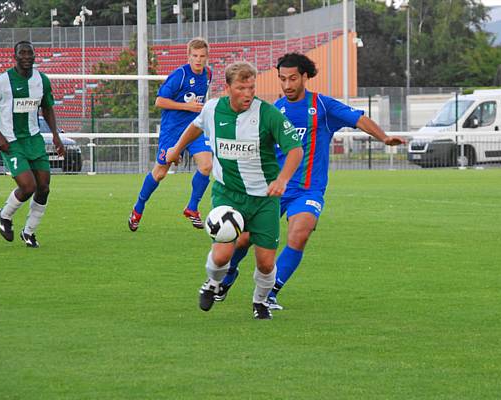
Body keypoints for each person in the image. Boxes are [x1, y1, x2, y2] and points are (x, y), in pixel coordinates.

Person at [216, 53, 406, 309]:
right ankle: (228, 275)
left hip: (308, 189)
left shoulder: (324, 107)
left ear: (305, 76)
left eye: (292, 78)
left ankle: (270, 292)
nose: (287, 85)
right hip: (273, 188)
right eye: (282, 79)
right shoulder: (272, 111)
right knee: (243, 238)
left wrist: (383, 138)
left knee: (299, 233)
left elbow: (358, 119)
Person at [166, 61, 303, 320]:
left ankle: (260, 302)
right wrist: (176, 149)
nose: (248, 93)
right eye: (241, 88)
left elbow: (295, 149)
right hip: (228, 194)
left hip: (264, 199)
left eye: (251, 87)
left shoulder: (268, 114)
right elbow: (195, 126)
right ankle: (212, 282)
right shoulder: (212, 109)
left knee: (265, 262)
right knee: (221, 255)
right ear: (228, 88)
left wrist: (283, 179)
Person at [0, 40, 65, 248]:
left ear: (35, 56)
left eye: (30, 53)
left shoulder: (42, 80)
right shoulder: (1, 81)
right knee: (28, 186)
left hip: (34, 139)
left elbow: (47, 108)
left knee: (43, 187)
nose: (27, 57)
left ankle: (29, 232)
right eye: (22, 53)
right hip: (11, 140)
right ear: (15, 57)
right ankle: (5, 215)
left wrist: (56, 135)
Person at [128, 37, 213, 232]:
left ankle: (192, 208)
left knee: (207, 166)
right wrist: (187, 106)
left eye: (202, 56)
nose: (198, 60)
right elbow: (159, 101)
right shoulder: (179, 75)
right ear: (188, 56)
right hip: (173, 132)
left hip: (195, 129)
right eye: (194, 56)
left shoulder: (208, 74)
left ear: (207, 57)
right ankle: (138, 209)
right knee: (159, 173)